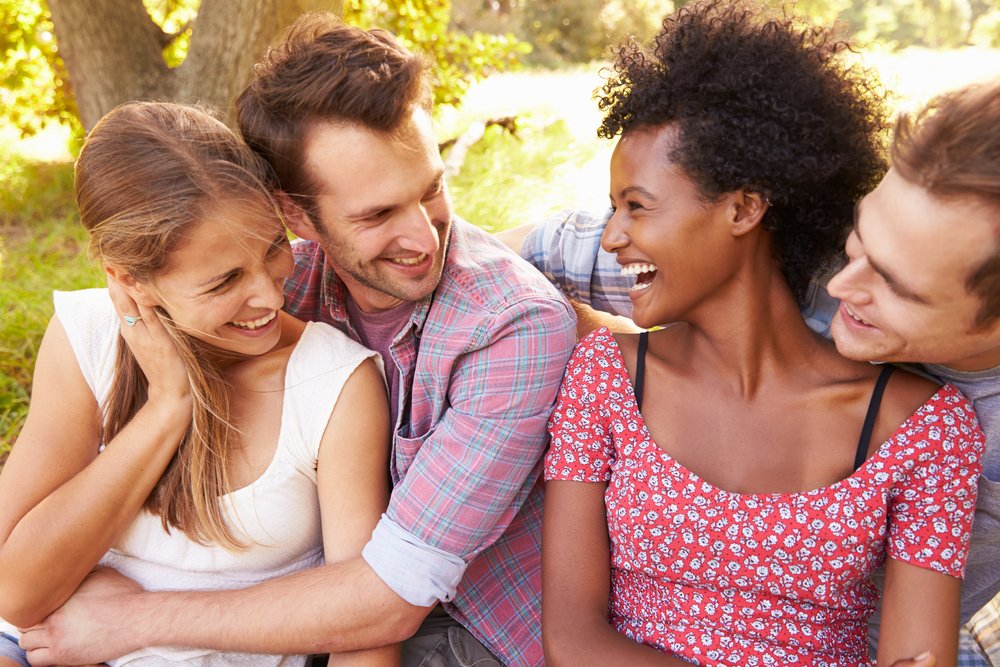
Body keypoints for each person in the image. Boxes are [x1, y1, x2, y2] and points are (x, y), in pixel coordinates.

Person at [18, 13, 576, 667]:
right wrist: (166, 395)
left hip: (463, 627)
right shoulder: (287, 279)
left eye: (430, 190)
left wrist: (134, 621)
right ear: (292, 212)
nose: (427, 239)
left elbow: (389, 602)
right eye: (375, 214)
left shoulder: (509, 330)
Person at [540, 2, 985, 666]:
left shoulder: (926, 428)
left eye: (636, 205)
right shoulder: (606, 375)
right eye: (612, 207)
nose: (612, 236)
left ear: (745, 207)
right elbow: (571, 639)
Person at [0, 101, 393, 666]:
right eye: (224, 281)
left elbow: (366, 630)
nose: (270, 296)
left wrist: (138, 623)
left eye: (273, 249)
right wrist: (166, 407)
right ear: (129, 279)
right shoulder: (86, 336)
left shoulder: (333, 384)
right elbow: (17, 593)